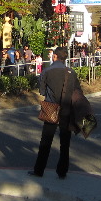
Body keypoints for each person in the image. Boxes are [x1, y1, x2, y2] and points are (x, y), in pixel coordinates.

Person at [29, 46, 82, 180]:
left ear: (55, 56)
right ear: (65, 58)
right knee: (65, 143)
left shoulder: (47, 71)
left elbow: (41, 91)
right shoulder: (71, 72)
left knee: (46, 141)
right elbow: (77, 90)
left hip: (51, 108)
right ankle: (62, 171)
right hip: (67, 109)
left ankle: (39, 170)